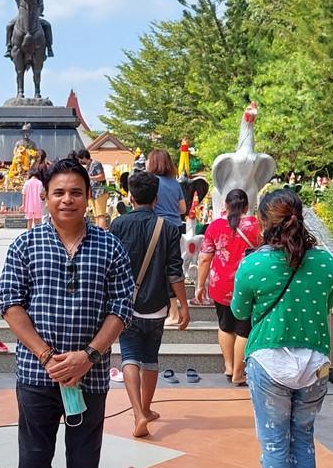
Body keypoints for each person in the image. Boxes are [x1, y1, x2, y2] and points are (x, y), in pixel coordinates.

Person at [0, 155, 134, 468]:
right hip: (38, 377)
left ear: (87, 196)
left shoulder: (109, 247)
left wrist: (88, 357)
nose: (67, 199)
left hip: (89, 378)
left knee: (84, 463)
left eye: (76, 191)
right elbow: (10, 304)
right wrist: (47, 355)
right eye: (59, 192)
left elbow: (122, 307)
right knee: (33, 462)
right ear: (46, 197)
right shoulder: (25, 245)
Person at [231, 189, 333, 468]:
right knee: (304, 440)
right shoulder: (327, 265)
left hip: (269, 362)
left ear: (264, 222)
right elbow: (328, 304)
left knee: (274, 441)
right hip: (315, 365)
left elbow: (238, 313)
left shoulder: (253, 265)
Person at [111, 170, 189, 438]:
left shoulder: (118, 226)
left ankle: (137, 414)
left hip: (125, 306)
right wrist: (184, 306)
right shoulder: (167, 228)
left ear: (130, 197)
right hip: (156, 306)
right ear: (156, 198)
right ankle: (146, 407)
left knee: (129, 356)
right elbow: (174, 272)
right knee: (151, 357)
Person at [196, 188, 261, 385]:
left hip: (220, 284)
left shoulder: (215, 226)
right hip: (248, 283)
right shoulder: (257, 226)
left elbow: (205, 258)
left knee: (225, 326)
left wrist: (200, 285)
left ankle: (229, 366)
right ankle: (239, 374)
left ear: (225, 205)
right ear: (247, 206)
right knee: (244, 329)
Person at [146, 148, 187, 326]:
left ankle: (172, 312)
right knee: (174, 268)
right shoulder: (175, 183)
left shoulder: (151, 182)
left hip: (158, 227)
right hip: (176, 227)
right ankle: (174, 309)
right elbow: (183, 209)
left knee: (160, 269)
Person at [78, 148, 109, 229]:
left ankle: (102, 233)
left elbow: (102, 177)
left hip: (100, 192)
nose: (81, 161)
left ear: (84, 157)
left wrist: (90, 177)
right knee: (96, 215)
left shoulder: (96, 164)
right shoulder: (88, 166)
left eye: (81, 159)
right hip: (94, 194)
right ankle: (98, 231)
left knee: (101, 215)